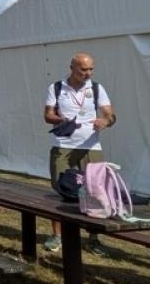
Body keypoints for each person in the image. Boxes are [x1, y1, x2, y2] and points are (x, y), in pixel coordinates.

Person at [42, 53, 114, 254]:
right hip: (63, 145)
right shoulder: (56, 88)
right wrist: (59, 119)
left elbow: (111, 114)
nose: (88, 73)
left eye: (91, 69)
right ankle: (57, 235)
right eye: (84, 69)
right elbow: (47, 115)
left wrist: (105, 121)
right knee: (60, 188)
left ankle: (93, 237)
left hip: (91, 146)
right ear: (72, 67)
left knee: (96, 191)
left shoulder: (97, 88)